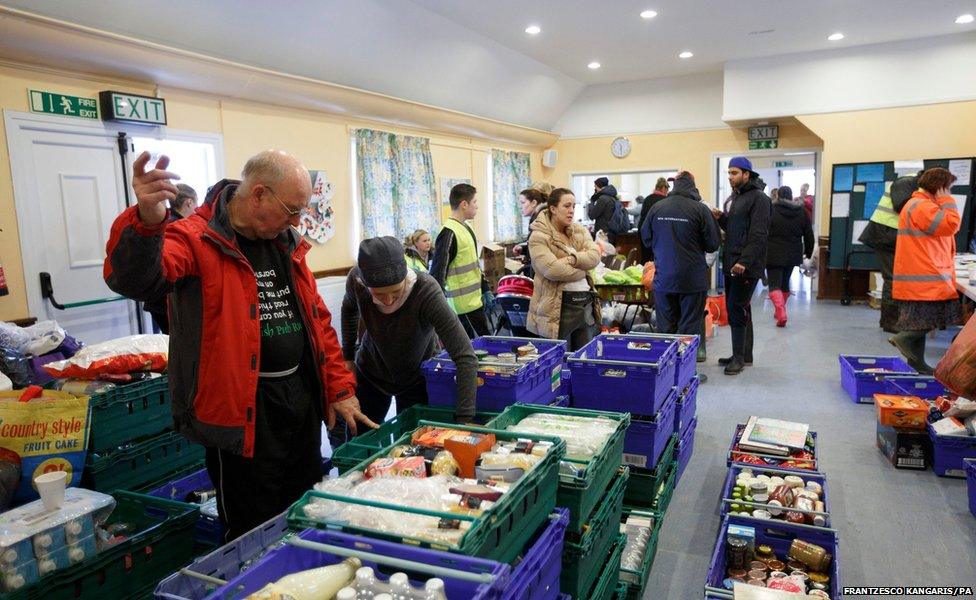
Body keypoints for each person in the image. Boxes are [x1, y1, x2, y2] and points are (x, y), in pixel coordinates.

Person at [104, 150, 376, 540]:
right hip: (242, 411)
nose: (298, 221)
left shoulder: (285, 241)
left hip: (298, 402)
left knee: (304, 507)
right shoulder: (195, 238)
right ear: (260, 194)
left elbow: (318, 323)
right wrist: (147, 224)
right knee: (252, 526)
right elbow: (137, 280)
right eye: (292, 209)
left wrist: (338, 388)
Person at [339, 236, 477, 433]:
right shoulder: (356, 280)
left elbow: (465, 356)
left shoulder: (426, 291)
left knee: (413, 444)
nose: (387, 301)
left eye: (395, 292)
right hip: (371, 372)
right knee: (358, 439)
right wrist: (348, 357)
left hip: (417, 376)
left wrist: (464, 420)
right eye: (379, 295)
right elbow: (349, 308)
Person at [889, 167, 961, 374]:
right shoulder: (922, 206)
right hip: (926, 277)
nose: (950, 193)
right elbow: (951, 225)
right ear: (940, 188)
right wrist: (947, 201)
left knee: (919, 319)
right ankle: (903, 338)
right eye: (948, 188)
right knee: (937, 317)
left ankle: (917, 364)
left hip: (921, 275)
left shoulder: (919, 204)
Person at [641, 170, 720, 358]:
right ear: (693, 187)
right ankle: (685, 375)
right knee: (688, 329)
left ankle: (667, 376)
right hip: (692, 281)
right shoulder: (701, 210)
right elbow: (713, 244)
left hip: (664, 280)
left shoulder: (657, 208)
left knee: (666, 328)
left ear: (674, 186)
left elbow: (646, 238)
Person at [711, 156, 771, 376]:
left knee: (737, 308)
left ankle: (738, 358)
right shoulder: (738, 197)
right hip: (733, 262)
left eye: (734, 173)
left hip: (745, 265)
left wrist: (744, 262)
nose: (730, 177)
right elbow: (738, 230)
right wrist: (721, 219)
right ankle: (744, 354)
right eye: (728, 173)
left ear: (747, 174)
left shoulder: (759, 199)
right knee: (741, 308)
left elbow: (758, 234)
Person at [528, 188, 602, 350]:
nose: (571, 211)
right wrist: (584, 268)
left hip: (584, 305)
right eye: (567, 206)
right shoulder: (538, 236)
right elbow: (552, 270)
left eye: (573, 206)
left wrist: (572, 259)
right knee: (559, 365)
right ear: (553, 209)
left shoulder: (579, 230)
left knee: (583, 360)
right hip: (555, 310)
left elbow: (595, 255)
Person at [858, 174, 919, 333]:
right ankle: (890, 323)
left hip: (889, 233)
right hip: (885, 233)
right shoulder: (907, 182)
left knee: (894, 278)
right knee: (892, 278)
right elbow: (902, 205)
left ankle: (892, 321)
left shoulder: (912, 183)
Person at [431, 183, 490, 339]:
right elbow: (437, 273)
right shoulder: (448, 233)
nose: (477, 206)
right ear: (464, 204)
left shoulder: (466, 228)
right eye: (475, 202)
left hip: (475, 302)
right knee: (476, 348)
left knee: (485, 344)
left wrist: (485, 289)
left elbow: (475, 265)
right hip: (460, 308)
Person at [144, 183, 200, 333]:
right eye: (196, 204)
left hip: (155, 299)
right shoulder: (180, 228)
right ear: (189, 202)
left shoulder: (163, 221)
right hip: (168, 300)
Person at [765, 186, 814, 327]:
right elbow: (809, 234)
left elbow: (762, 231)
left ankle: (781, 312)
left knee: (774, 283)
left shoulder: (771, 210)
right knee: (785, 282)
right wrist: (808, 252)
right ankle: (779, 310)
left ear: (778, 196)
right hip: (793, 253)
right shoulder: (802, 211)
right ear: (792, 196)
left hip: (773, 252)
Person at [512, 188, 547, 277]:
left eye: (523, 203)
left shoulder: (540, 220)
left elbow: (540, 248)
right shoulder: (537, 218)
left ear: (534, 203)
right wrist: (523, 249)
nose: (520, 206)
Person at [639, 177, 670, 263]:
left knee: (645, 259)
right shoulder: (665, 201)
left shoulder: (647, 199)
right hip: (658, 234)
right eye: (667, 189)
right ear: (664, 188)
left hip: (644, 233)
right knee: (658, 260)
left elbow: (643, 216)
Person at [588, 177, 619, 243]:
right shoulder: (612, 197)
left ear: (598, 186)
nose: (595, 188)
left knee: (603, 252)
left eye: (595, 186)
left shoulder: (603, 198)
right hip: (611, 231)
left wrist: (592, 201)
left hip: (603, 233)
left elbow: (592, 215)